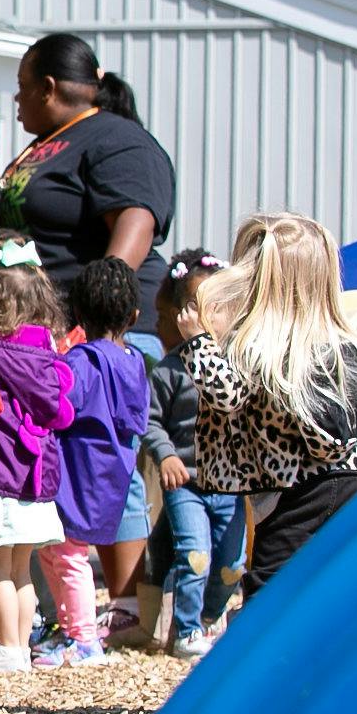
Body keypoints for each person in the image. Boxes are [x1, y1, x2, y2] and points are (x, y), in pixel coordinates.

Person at [186, 213, 357, 605]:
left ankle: (259, 665)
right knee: (351, 589)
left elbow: (225, 395)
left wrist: (198, 344)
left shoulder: (259, 352)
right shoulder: (355, 353)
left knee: (270, 597)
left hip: (295, 491)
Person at [0, 34, 177, 316]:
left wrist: (98, 316)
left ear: (48, 87)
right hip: (40, 323)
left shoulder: (118, 139)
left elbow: (135, 219)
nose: (16, 97)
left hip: (106, 331)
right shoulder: (51, 141)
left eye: (23, 86)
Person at [0, 258, 75, 673]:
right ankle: (21, 648)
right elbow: (62, 412)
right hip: (37, 480)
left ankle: (7, 650)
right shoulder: (44, 352)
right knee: (22, 569)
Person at [38, 259, 150, 668]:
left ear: (78, 314)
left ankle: (84, 640)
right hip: (111, 474)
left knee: (67, 555)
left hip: (76, 473)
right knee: (63, 553)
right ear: (134, 315)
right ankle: (72, 630)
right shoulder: (135, 361)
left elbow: (59, 406)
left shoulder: (83, 362)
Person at [141, 250, 240, 658]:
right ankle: (185, 631)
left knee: (232, 565)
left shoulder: (237, 364)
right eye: (201, 308)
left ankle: (206, 617)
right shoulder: (169, 370)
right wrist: (166, 455)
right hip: (189, 484)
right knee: (195, 555)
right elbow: (149, 420)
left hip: (231, 483)